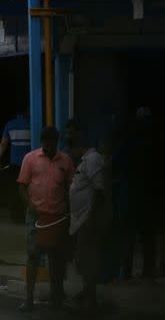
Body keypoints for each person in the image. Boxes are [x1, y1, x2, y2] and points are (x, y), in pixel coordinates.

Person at [17, 126, 75, 312]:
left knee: (56, 258)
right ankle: (28, 299)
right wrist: (30, 204)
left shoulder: (65, 161)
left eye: (52, 144)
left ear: (56, 143)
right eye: (46, 143)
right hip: (36, 215)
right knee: (33, 255)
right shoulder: (30, 159)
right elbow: (22, 186)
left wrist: (68, 210)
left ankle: (57, 299)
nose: (49, 147)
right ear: (42, 142)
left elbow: (70, 188)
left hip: (57, 216)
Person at [67, 134, 107, 313]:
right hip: (80, 219)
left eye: (71, 149)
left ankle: (91, 300)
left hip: (87, 219)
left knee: (87, 259)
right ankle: (86, 292)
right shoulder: (85, 160)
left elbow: (99, 189)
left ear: (78, 147)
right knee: (82, 258)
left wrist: (91, 216)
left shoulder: (93, 159)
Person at [0, 109, 32, 222]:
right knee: (29, 190)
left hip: (15, 164)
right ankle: (29, 215)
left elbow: (3, 144)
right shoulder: (33, 123)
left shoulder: (10, 125)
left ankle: (16, 217)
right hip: (30, 164)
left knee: (14, 190)